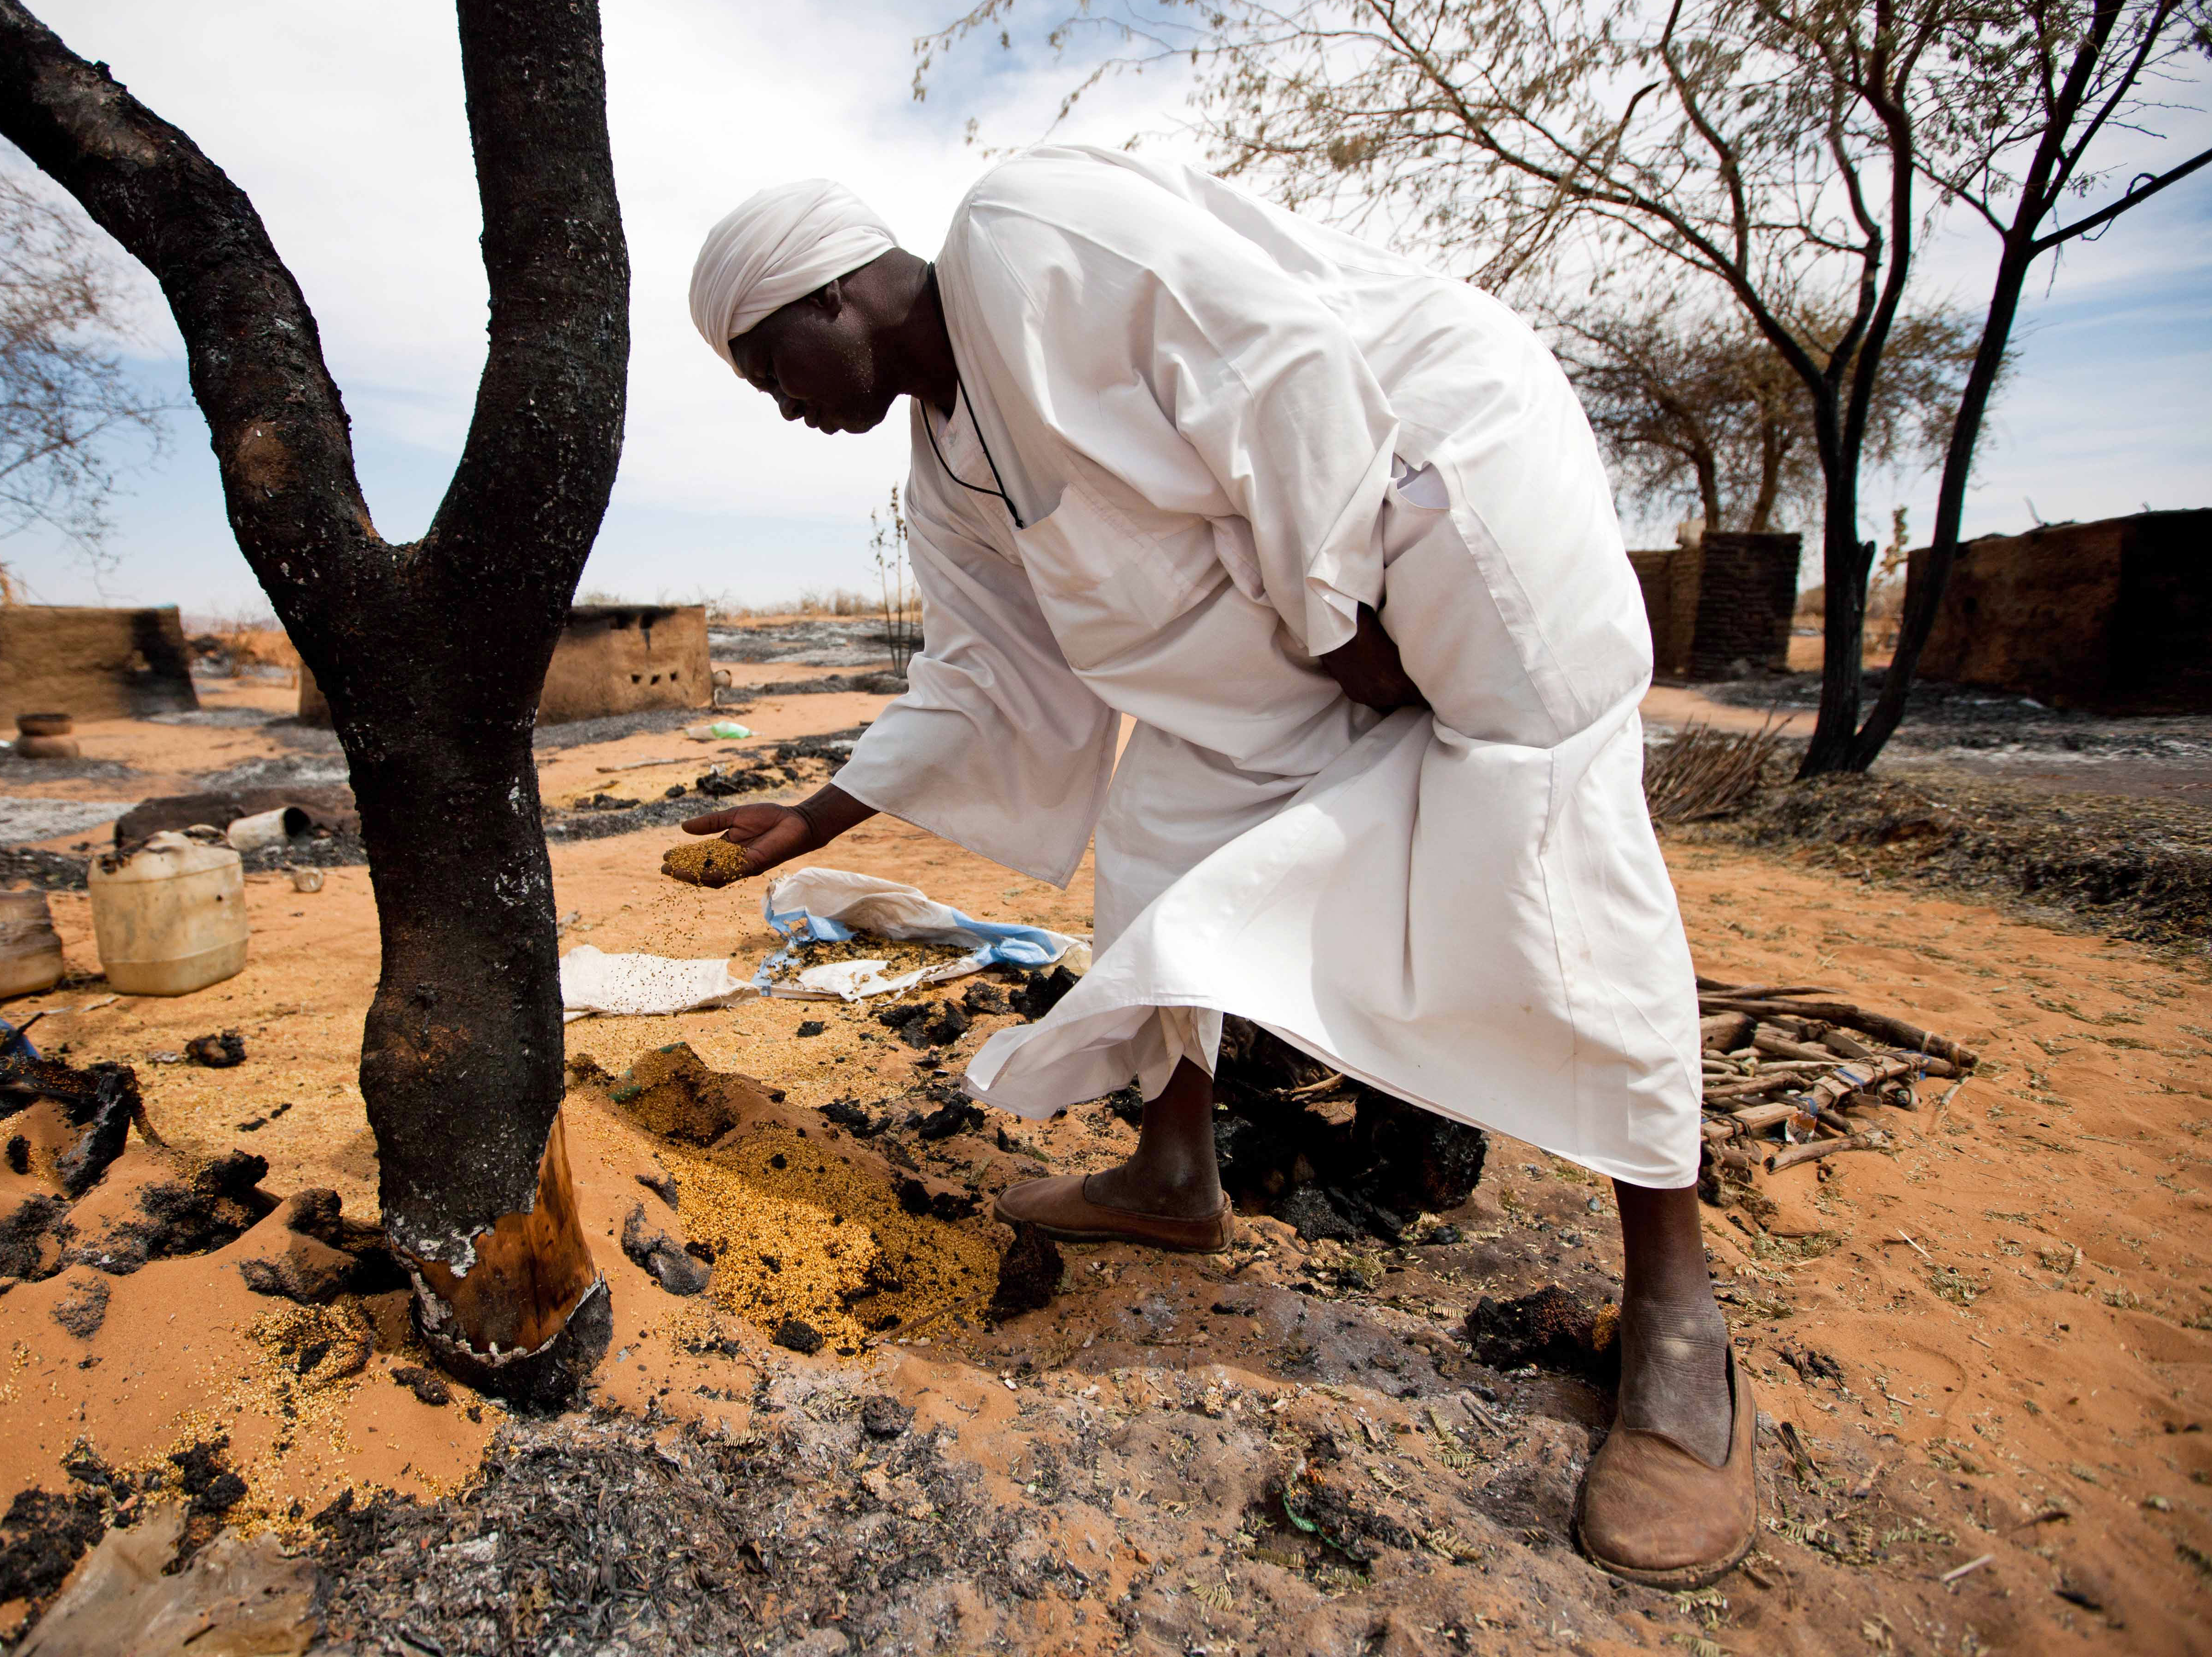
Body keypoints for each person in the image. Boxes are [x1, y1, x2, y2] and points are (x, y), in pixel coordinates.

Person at [679, 149, 1753, 1588]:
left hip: (1434, 489)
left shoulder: (1021, 232)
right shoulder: (942, 469)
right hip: (1297, 623)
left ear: (829, 295)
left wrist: (1340, 617)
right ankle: (1174, 1172)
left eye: (767, 370)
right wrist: (814, 821)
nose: (784, 410)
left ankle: (1681, 1328)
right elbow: (989, 672)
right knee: (1158, 839)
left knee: (1556, 842)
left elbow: (1285, 366)